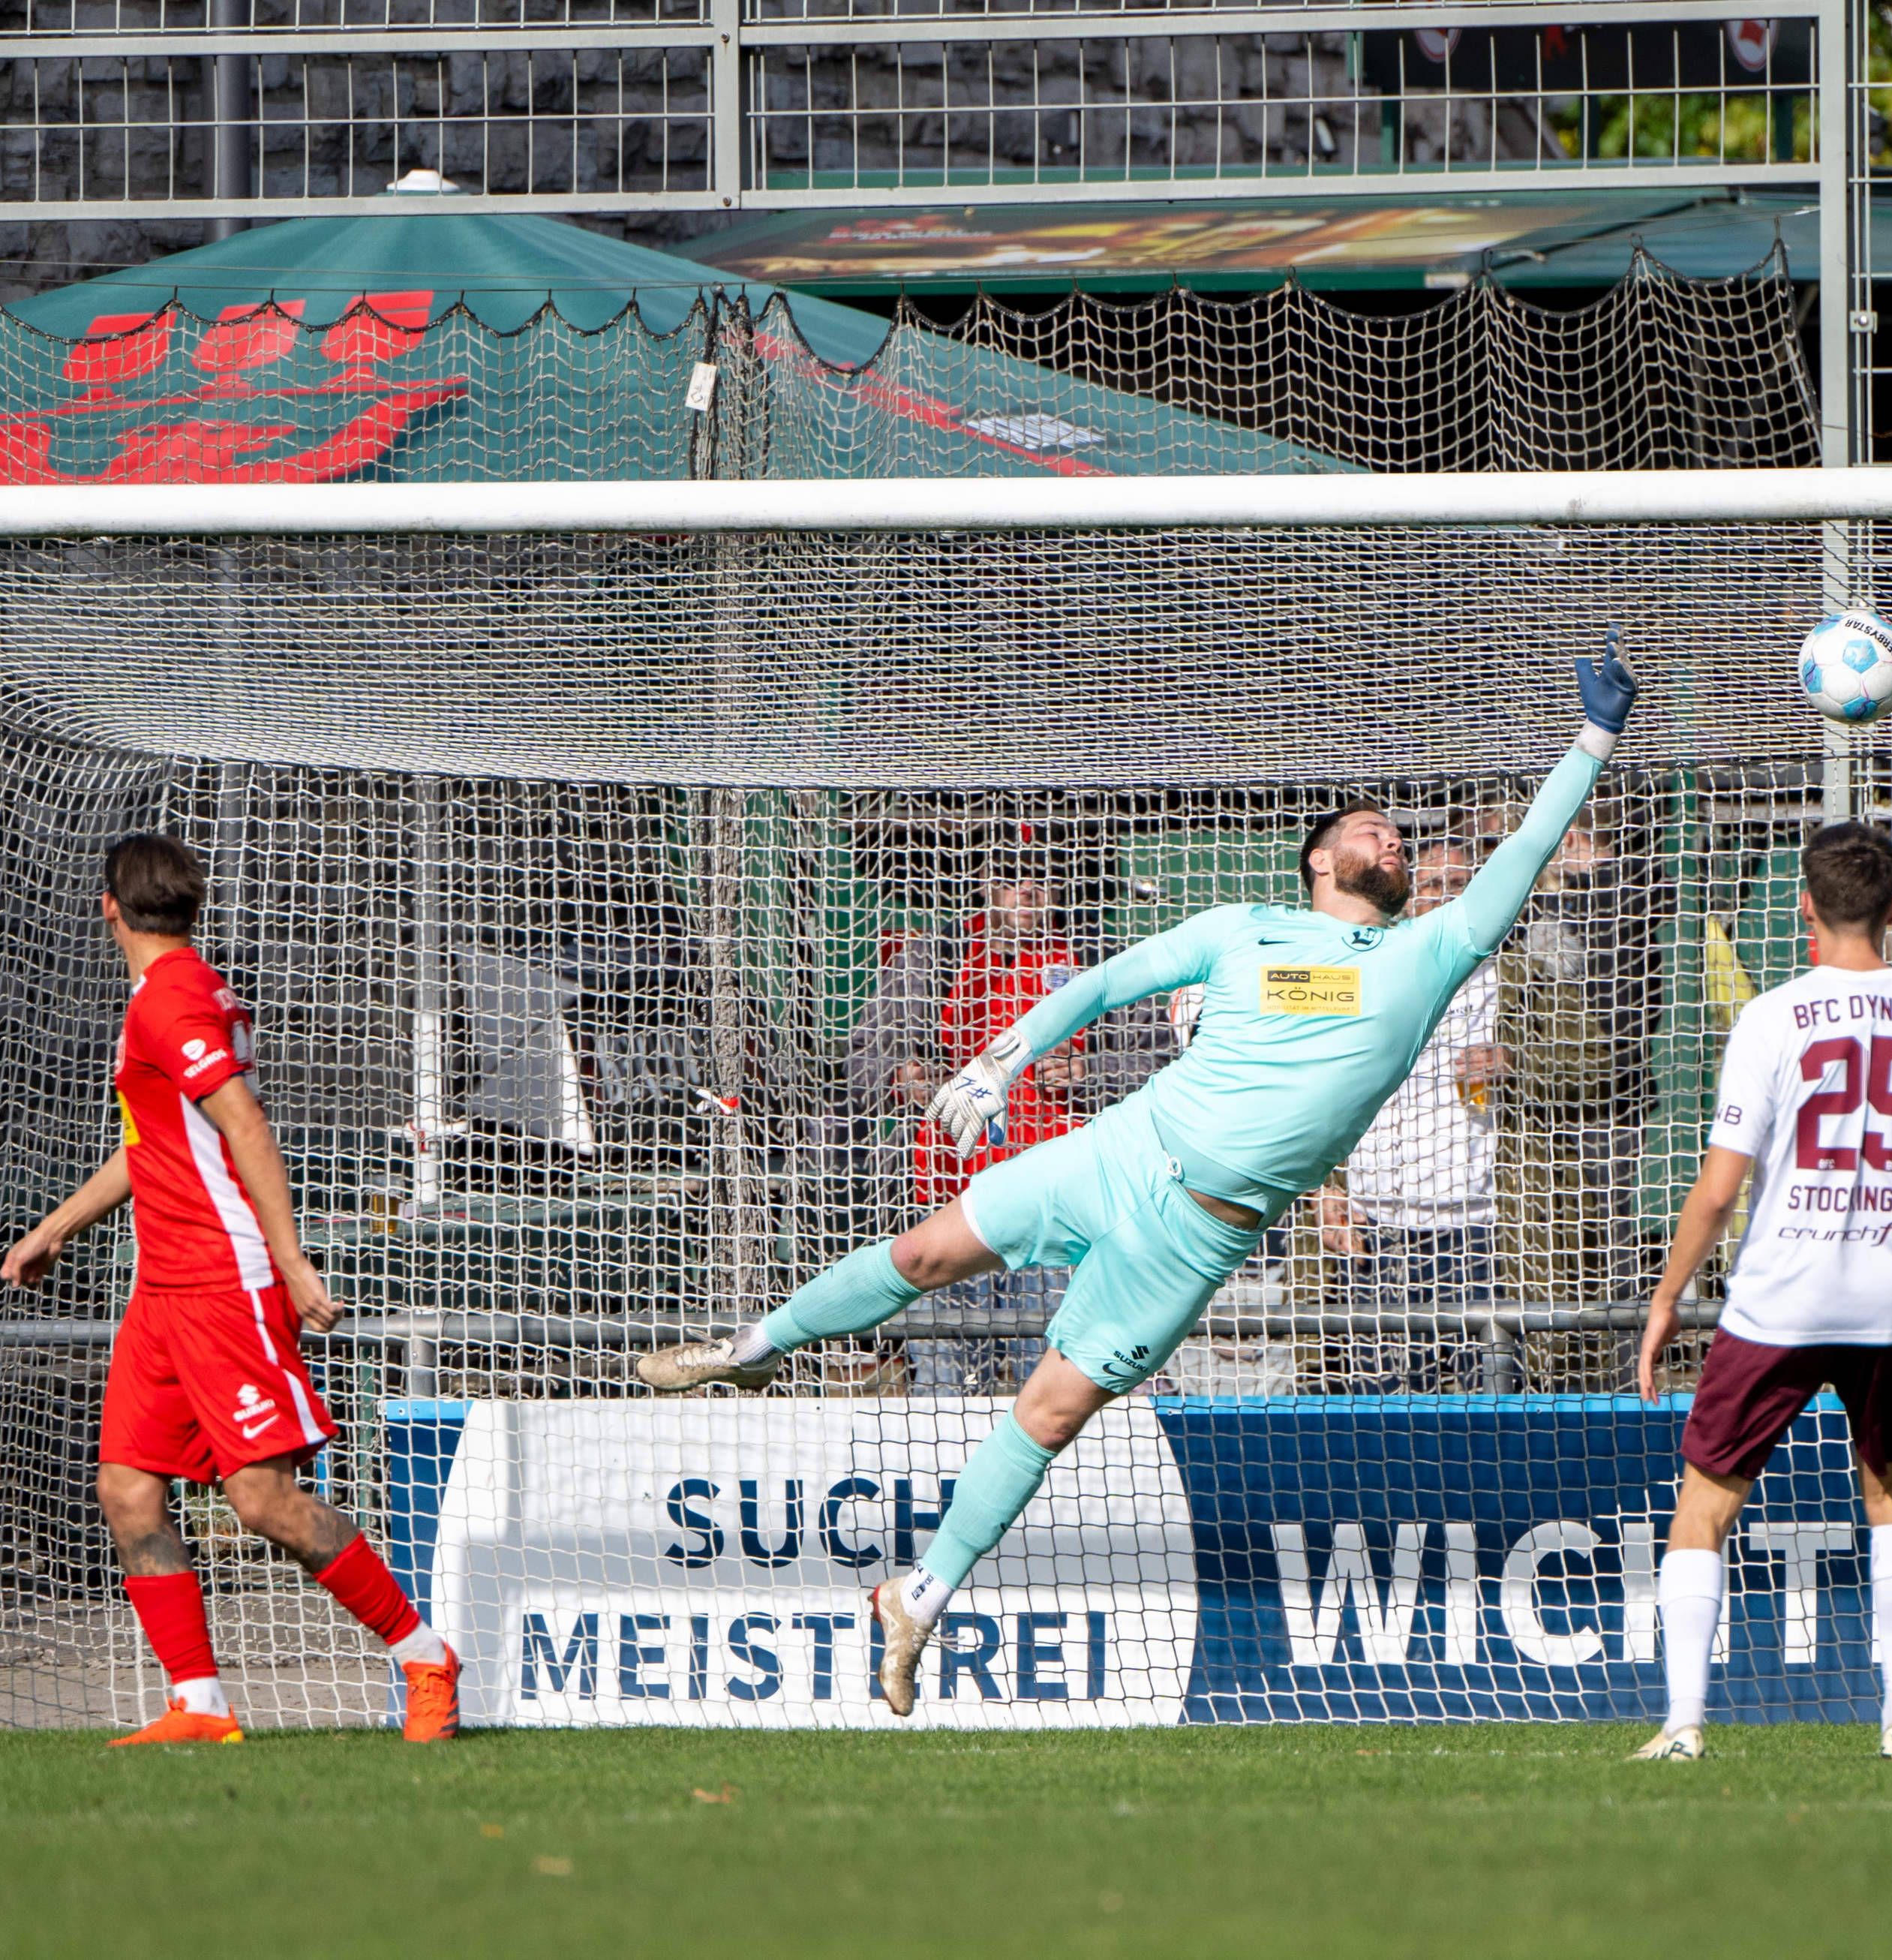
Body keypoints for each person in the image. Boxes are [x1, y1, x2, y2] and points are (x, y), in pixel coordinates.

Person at [636, 642, 1643, 1715]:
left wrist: (1592, 739)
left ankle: (918, 1600)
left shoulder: (1431, 952)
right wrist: (997, 1061)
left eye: (1397, 835)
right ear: (1317, 861)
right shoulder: (1240, 931)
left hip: (1198, 1234)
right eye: (1368, 828)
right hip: (1119, 1149)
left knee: (1054, 1411)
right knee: (924, 1251)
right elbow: (1107, 983)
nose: (1390, 838)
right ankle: (750, 1347)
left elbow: (1528, 847)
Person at [2, 834, 461, 1745]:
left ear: (108, 908)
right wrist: (55, 1227)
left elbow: (244, 1122)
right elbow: (158, 1145)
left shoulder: (169, 1005)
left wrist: (291, 1260)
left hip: (225, 1282)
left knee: (261, 1500)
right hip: (163, 1291)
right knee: (129, 1488)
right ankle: (200, 1704)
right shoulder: (184, 992)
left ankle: (425, 1655)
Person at [1630, 822, 1892, 1765]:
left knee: (1706, 1501)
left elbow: (1717, 1189)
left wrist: (1668, 1298)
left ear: (1803, 906)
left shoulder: (1773, 1017)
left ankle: (1681, 1726)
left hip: (1779, 1295)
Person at [847, 837, 1166, 1392]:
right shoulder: (938, 955)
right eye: (1010, 876)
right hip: (952, 1195)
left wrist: (1094, 1073)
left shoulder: (1094, 958)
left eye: (1040, 876)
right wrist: (905, 1076)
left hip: (1061, 1203)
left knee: (1052, 1380)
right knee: (945, 1384)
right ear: (984, 883)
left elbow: (1164, 1060)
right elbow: (862, 1063)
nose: (1026, 889)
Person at [1315, 834, 1505, 1391]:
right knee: (1376, 1406)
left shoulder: (1519, 974)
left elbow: (1594, 1062)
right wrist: (1325, 1189)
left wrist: (1519, 1059)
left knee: (1489, 1405)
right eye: (1432, 885)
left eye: (1460, 885)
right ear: (1408, 895)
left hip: (1480, 1227)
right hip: (1375, 1224)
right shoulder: (1363, 964)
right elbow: (1319, 1088)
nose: (1446, 896)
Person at [1497, 799, 1668, 1384]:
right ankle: (1553, 1366)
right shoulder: (1544, 905)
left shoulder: (1613, 900)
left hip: (1599, 1107)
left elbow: (1614, 1031)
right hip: (1538, 1108)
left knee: (1602, 1245)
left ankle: (1609, 1372)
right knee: (1551, 1245)